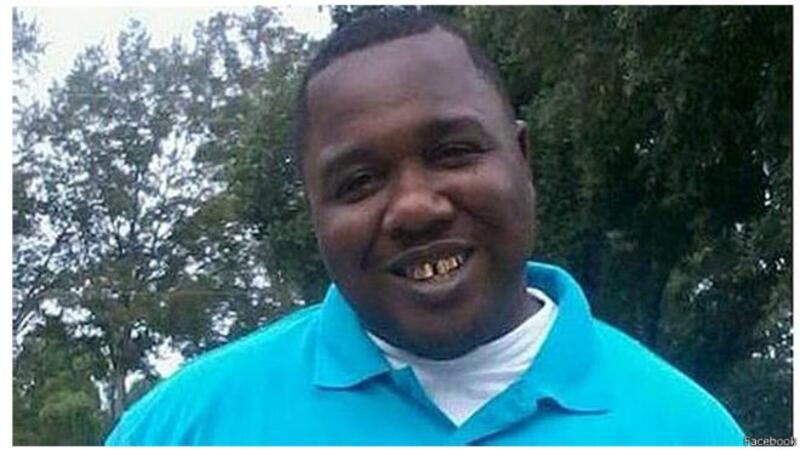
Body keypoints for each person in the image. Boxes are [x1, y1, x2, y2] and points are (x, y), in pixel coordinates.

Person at [106, 10, 744, 445]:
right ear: (315, 214)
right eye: (358, 182)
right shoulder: (181, 430)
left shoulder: (686, 430)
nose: (415, 208)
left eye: (454, 152)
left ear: (523, 160)